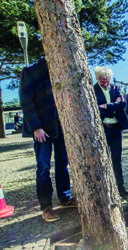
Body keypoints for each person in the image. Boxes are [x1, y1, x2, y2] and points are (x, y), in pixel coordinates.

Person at [19, 57, 77, 222]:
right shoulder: (30, 71)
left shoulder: (61, 66)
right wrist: (36, 127)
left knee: (62, 165)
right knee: (43, 167)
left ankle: (64, 198)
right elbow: (26, 101)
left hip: (61, 128)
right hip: (42, 130)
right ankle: (46, 207)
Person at [93, 66, 128, 198]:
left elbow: (122, 105)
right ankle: (104, 191)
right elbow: (96, 110)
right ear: (98, 79)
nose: (105, 84)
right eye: (103, 81)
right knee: (102, 160)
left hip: (116, 129)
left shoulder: (116, 88)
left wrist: (106, 106)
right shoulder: (93, 90)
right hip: (102, 129)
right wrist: (113, 107)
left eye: (107, 81)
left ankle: (120, 189)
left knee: (117, 159)